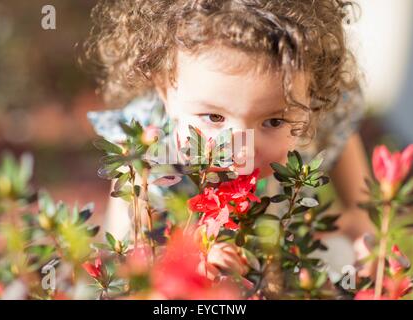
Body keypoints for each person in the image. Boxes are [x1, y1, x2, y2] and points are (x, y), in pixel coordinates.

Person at [85, 0, 374, 281]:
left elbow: (339, 131)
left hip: (283, 256)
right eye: (213, 118)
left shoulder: (316, 115)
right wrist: (192, 262)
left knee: (341, 257)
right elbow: (128, 255)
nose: (241, 152)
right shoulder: (144, 152)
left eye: (274, 121)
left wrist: (361, 217)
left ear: (312, 100)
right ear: (163, 89)